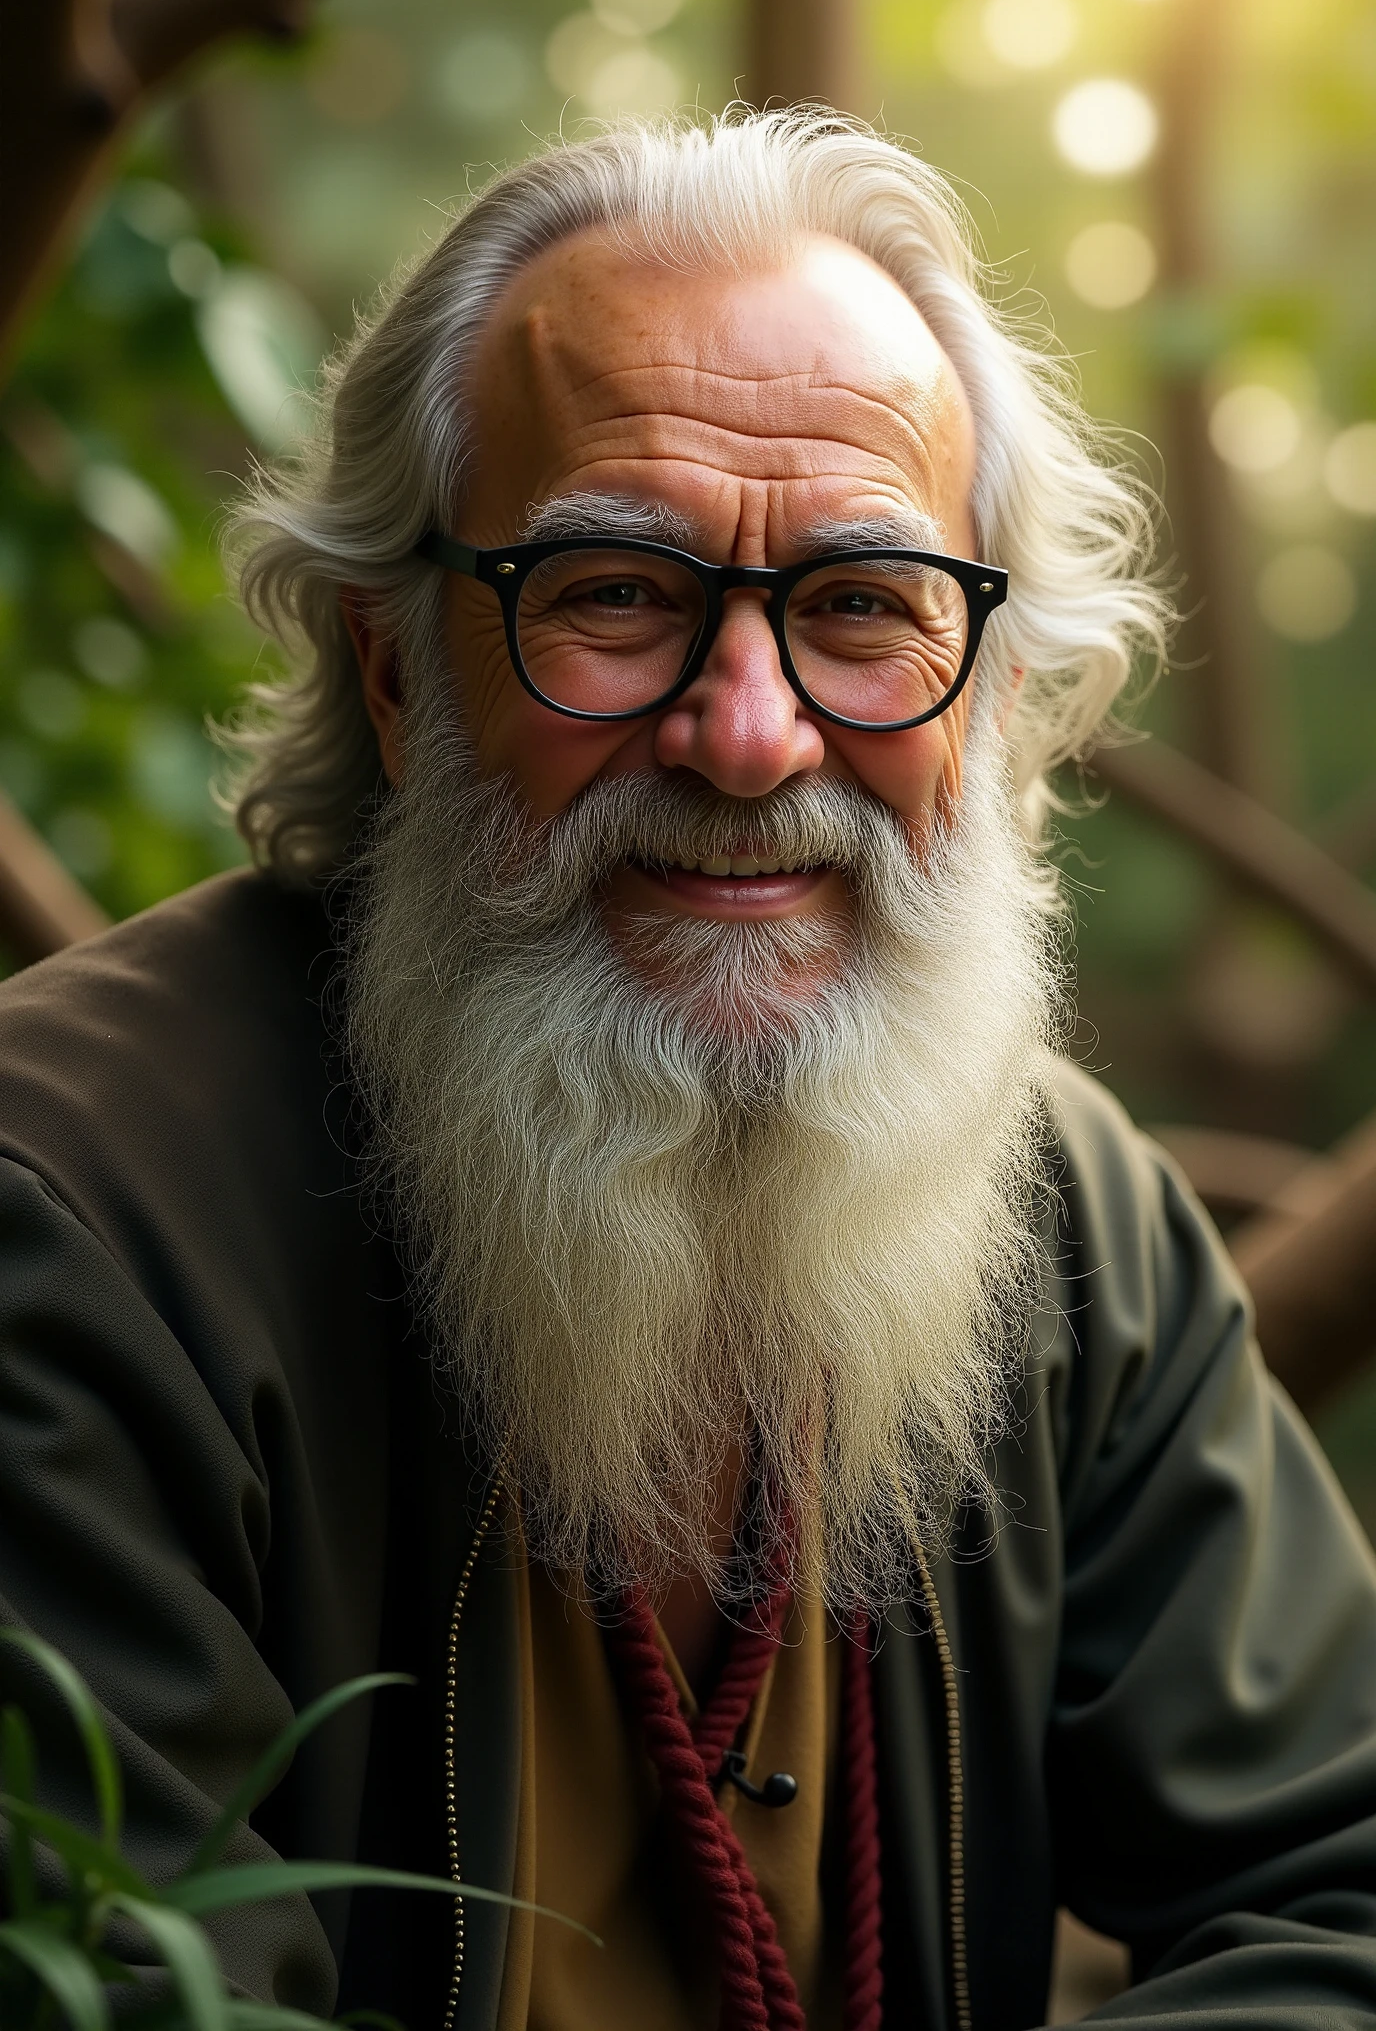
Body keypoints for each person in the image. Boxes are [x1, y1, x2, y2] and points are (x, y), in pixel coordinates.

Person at [3, 106, 1376, 2031]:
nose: (750, 736)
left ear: (977, 705)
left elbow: (1342, 1896)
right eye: (617, 596)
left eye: (861, 609)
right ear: (400, 675)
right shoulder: (68, 1240)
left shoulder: (1068, 1221)